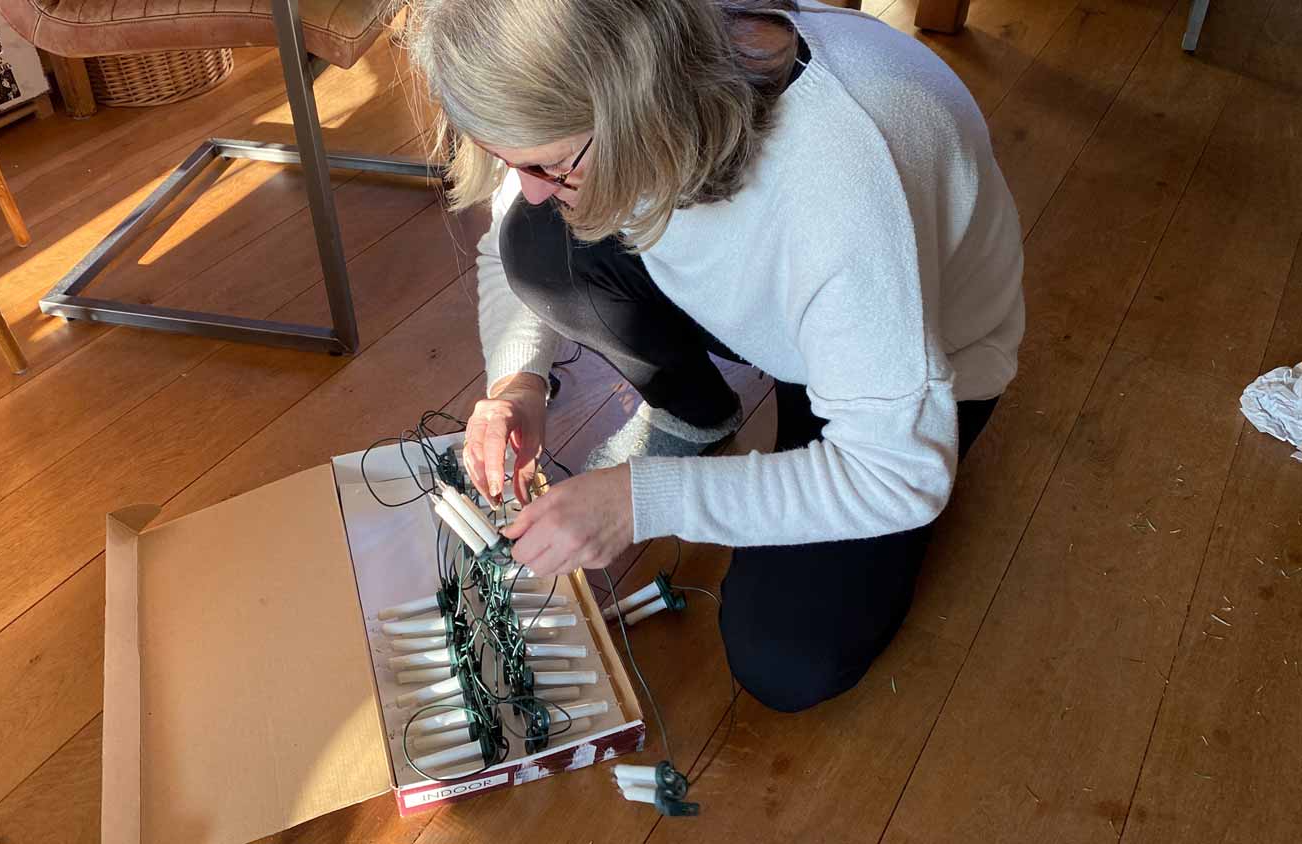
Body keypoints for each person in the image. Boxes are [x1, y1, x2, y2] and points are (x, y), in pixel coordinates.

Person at [405, 0, 1024, 712]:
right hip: (789, 311)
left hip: (912, 359)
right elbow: (522, 217)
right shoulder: (622, 88)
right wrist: (517, 384)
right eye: (515, 162)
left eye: (548, 165)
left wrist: (642, 501)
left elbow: (899, 475)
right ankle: (699, 410)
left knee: (786, 657)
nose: (535, 187)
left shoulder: (838, 186)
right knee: (540, 242)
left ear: (633, 108)